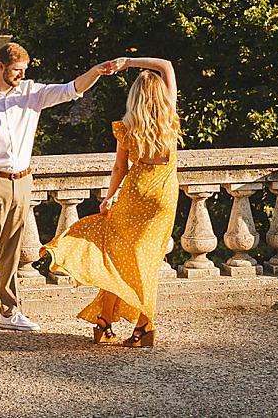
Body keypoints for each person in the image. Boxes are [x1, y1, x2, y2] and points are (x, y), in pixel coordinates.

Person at [0, 41, 125, 335]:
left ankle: (10, 311)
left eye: (24, 70)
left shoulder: (32, 93)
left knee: (13, 248)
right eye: (16, 70)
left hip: (23, 180)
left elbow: (71, 89)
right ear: (1, 66)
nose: (21, 75)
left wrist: (96, 71)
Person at [43, 56, 179, 348]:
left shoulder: (127, 127)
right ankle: (141, 327)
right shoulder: (170, 118)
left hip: (134, 196)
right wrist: (129, 62)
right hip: (164, 198)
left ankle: (107, 322)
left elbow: (120, 168)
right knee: (146, 263)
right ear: (161, 95)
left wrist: (108, 198)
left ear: (135, 98)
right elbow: (166, 65)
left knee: (116, 261)